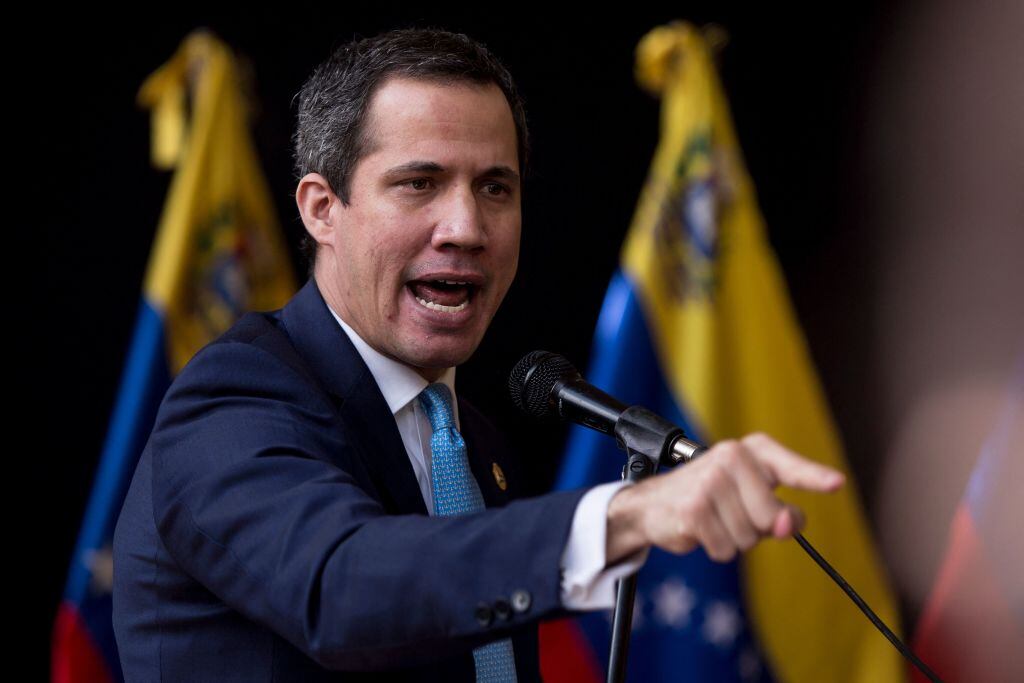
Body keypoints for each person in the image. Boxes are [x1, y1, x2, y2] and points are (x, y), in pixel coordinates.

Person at [112, 28, 845, 682]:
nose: (465, 226)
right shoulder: (233, 398)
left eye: (495, 187)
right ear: (321, 208)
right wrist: (623, 516)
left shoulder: (474, 444)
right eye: (419, 183)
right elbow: (340, 586)